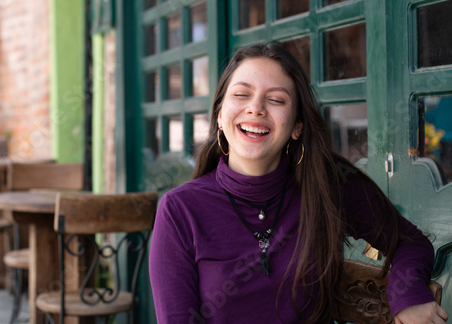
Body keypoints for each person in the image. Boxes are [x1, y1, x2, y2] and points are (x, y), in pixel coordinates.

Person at [149, 42, 449, 323]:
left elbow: (408, 242)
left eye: (277, 99)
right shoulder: (179, 210)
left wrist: (408, 296)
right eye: (241, 95)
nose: (255, 108)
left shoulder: (327, 186)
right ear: (219, 115)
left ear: (297, 126)